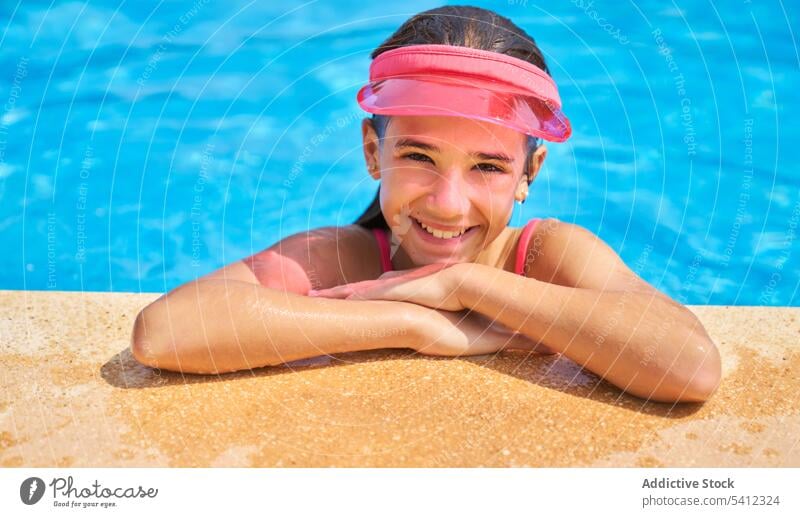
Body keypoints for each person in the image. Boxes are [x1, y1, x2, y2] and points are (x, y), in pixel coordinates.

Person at [131, 6, 720, 403]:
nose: (448, 202)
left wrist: (468, 286)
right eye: (419, 157)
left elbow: (690, 365)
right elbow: (165, 334)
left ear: (528, 173)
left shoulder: (543, 255)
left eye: (488, 166)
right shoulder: (348, 257)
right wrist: (412, 322)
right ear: (372, 151)